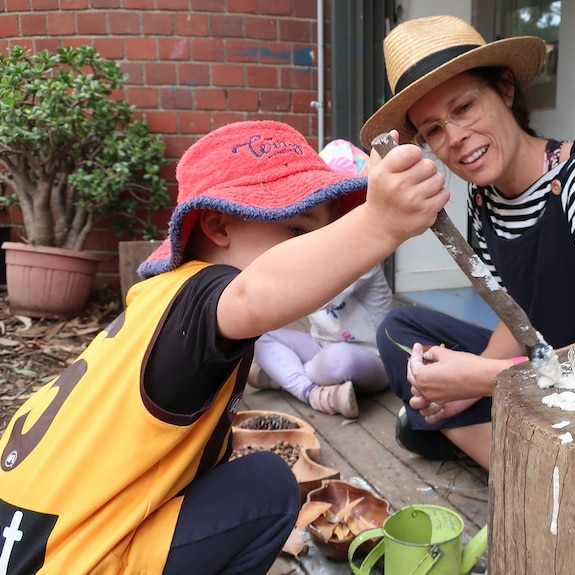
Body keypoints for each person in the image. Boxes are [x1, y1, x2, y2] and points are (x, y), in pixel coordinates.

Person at [0, 120, 447, 573]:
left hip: (25, 537)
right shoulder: (208, 294)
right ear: (217, 226)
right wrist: (380, 223)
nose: (313, 248)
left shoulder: (159, 299)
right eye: (297, 231)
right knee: (267, 485)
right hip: (70, 560)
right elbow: (254, 292)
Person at [359, 15, 575, 471]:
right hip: (558, 362)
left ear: (505, 90)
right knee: (400, 332)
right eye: (433, 130)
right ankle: (527, 463)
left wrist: (486, 379)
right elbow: (521, 315)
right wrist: (469, 377)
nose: (455, 139)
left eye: (464, 108)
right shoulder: (485, 199)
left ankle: (538, 478)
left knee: (427, 412)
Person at [247, 139, 393, 419]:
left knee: (339, 360)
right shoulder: (316, 250)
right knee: (259, 337)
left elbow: (315, 291)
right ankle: (312, 392)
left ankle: (283, 378)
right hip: (320, 346)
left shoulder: (364, 255)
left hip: (371, 356)